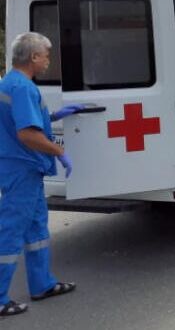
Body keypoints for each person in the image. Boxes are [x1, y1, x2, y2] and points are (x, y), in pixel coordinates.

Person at [0, 33, 79, 317]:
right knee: (10, 232)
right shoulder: (22, 88)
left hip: (22, 168)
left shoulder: (12, 83)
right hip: (21, 168)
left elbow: (22, 120)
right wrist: (59, 152)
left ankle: (42, 284)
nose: (48, 59)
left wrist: (55, 116)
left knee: (36, 229)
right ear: (33, 57)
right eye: (46, 54)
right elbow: (26, 133)